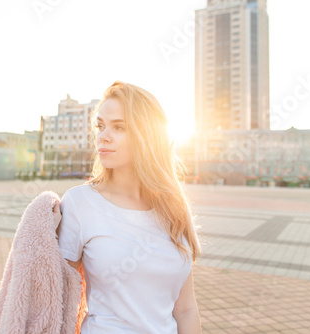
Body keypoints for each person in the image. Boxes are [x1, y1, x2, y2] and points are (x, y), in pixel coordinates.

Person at [53, 81, 202, 333]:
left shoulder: (175, 207)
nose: (103, 136)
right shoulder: (79, 203)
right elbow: (57, 303)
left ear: (148, 135)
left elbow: (185, 309)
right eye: (100, 126)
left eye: (119, 127)